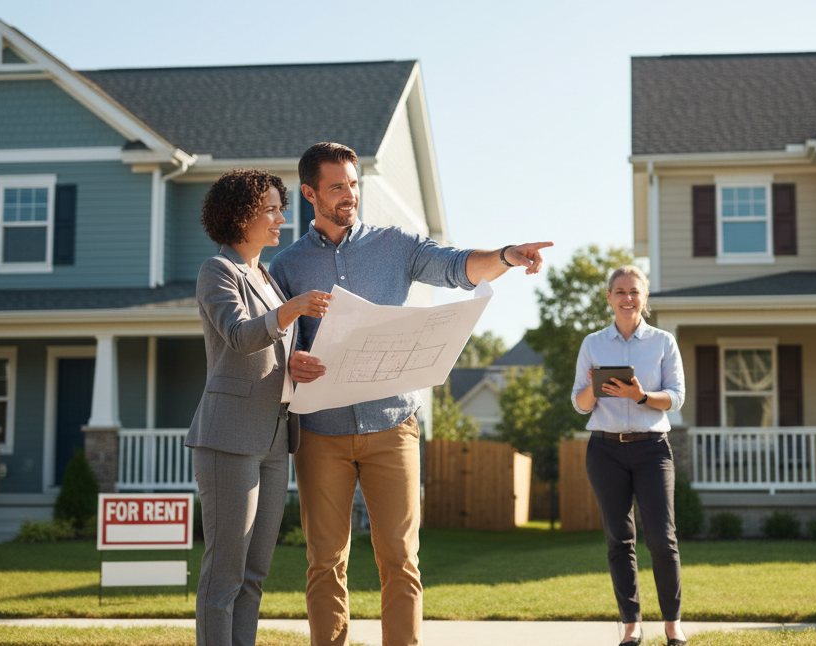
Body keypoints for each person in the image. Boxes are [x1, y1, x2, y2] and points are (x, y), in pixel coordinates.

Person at [269, 142, 552, 646]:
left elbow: (456, 266)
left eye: (354, 184)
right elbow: (277, 342)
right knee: (324, 560)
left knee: (400, 559)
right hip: (320, 432)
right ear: (310, 193)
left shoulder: (394, 245)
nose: (349, 195)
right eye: (337, 187)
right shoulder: (287, 266)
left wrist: (506, 256)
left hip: (393, 425)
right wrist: (290, 361)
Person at [186, 169, 332, 646]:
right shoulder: (218, 271)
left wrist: (298, 364)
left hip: (273, 438)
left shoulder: (266, 277)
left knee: (254, 575)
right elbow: (241, 336)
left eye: (279, 207)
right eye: (270, 208)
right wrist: (294, 310)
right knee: (224, 575)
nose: (281, 217)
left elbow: (272, 347)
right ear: (240, 214)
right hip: (228, 436)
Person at [571, 265, 688, 646]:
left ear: (645, 298)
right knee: (619, 540)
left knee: (661, 538)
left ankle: (673, 625)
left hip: (652, 449)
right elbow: (580, 404)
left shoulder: (663, 342)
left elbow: (676, 397)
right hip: (604, 450)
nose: (627, 298)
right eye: (619, 291)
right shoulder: (592, 344)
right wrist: (594, 387)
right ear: (609, 298)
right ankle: (631, 625)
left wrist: (638, 395)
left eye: (634, 291)